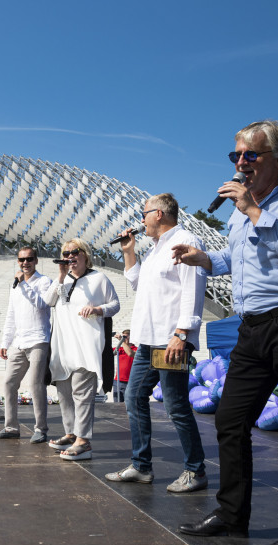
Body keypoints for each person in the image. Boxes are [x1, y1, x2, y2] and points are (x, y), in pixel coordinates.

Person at [172, 120, 278, 545]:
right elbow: (237, 256)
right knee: (230, 419)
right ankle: (232, 514)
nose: (241, 163)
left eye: (250, 155)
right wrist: (204, 258)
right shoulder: (241, 212)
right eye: (236, 155)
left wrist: (255, 211)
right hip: (253, 329)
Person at [105, 193, 208, 493]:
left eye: (144, 214)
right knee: (134, 396)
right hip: (148, 341)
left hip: (170, 339)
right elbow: (139, 283)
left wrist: (182, 333)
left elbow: (193, 288)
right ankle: (141, 466)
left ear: (159, 214)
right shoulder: (155, 249)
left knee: (175, 405)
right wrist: (129, 252)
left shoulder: (185, 241)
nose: (141, 220)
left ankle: (196, 470)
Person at [45, 239, 119, 460]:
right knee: (64, 392)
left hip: (86, 346)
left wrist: (97, 309)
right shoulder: (63, 280)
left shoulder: (99, 279)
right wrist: (60, 276)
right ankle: (71, 434)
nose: (70, 256)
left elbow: (115, 304)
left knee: (82, 393)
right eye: (65, 253)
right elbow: (48, 301)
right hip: (62, 347)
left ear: (85, 254)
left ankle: (83, 441)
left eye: (74, 252)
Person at [0, 247, 53, 443]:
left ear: (36, 261)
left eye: (29, 259)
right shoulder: (15, 286)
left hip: (38, 340)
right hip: (19, 341)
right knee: (9, 382)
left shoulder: (44, 281)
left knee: (36, 384)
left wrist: (23, 284)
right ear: (18, 261)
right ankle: (11, 427)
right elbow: (11, 315)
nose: (25, 263)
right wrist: (5, 342)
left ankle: (40, 429)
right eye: (22, 259)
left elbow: (42, 304)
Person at [112, 330, 136, 402]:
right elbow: (106, 353)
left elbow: (130, 353)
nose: (124, 339)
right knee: (117, 404)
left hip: (130, 382)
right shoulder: (119, 349)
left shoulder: (136, 349)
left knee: (129, 404)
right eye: (123, 337)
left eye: (125, 337)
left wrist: (121, 340)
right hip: (117, 381)